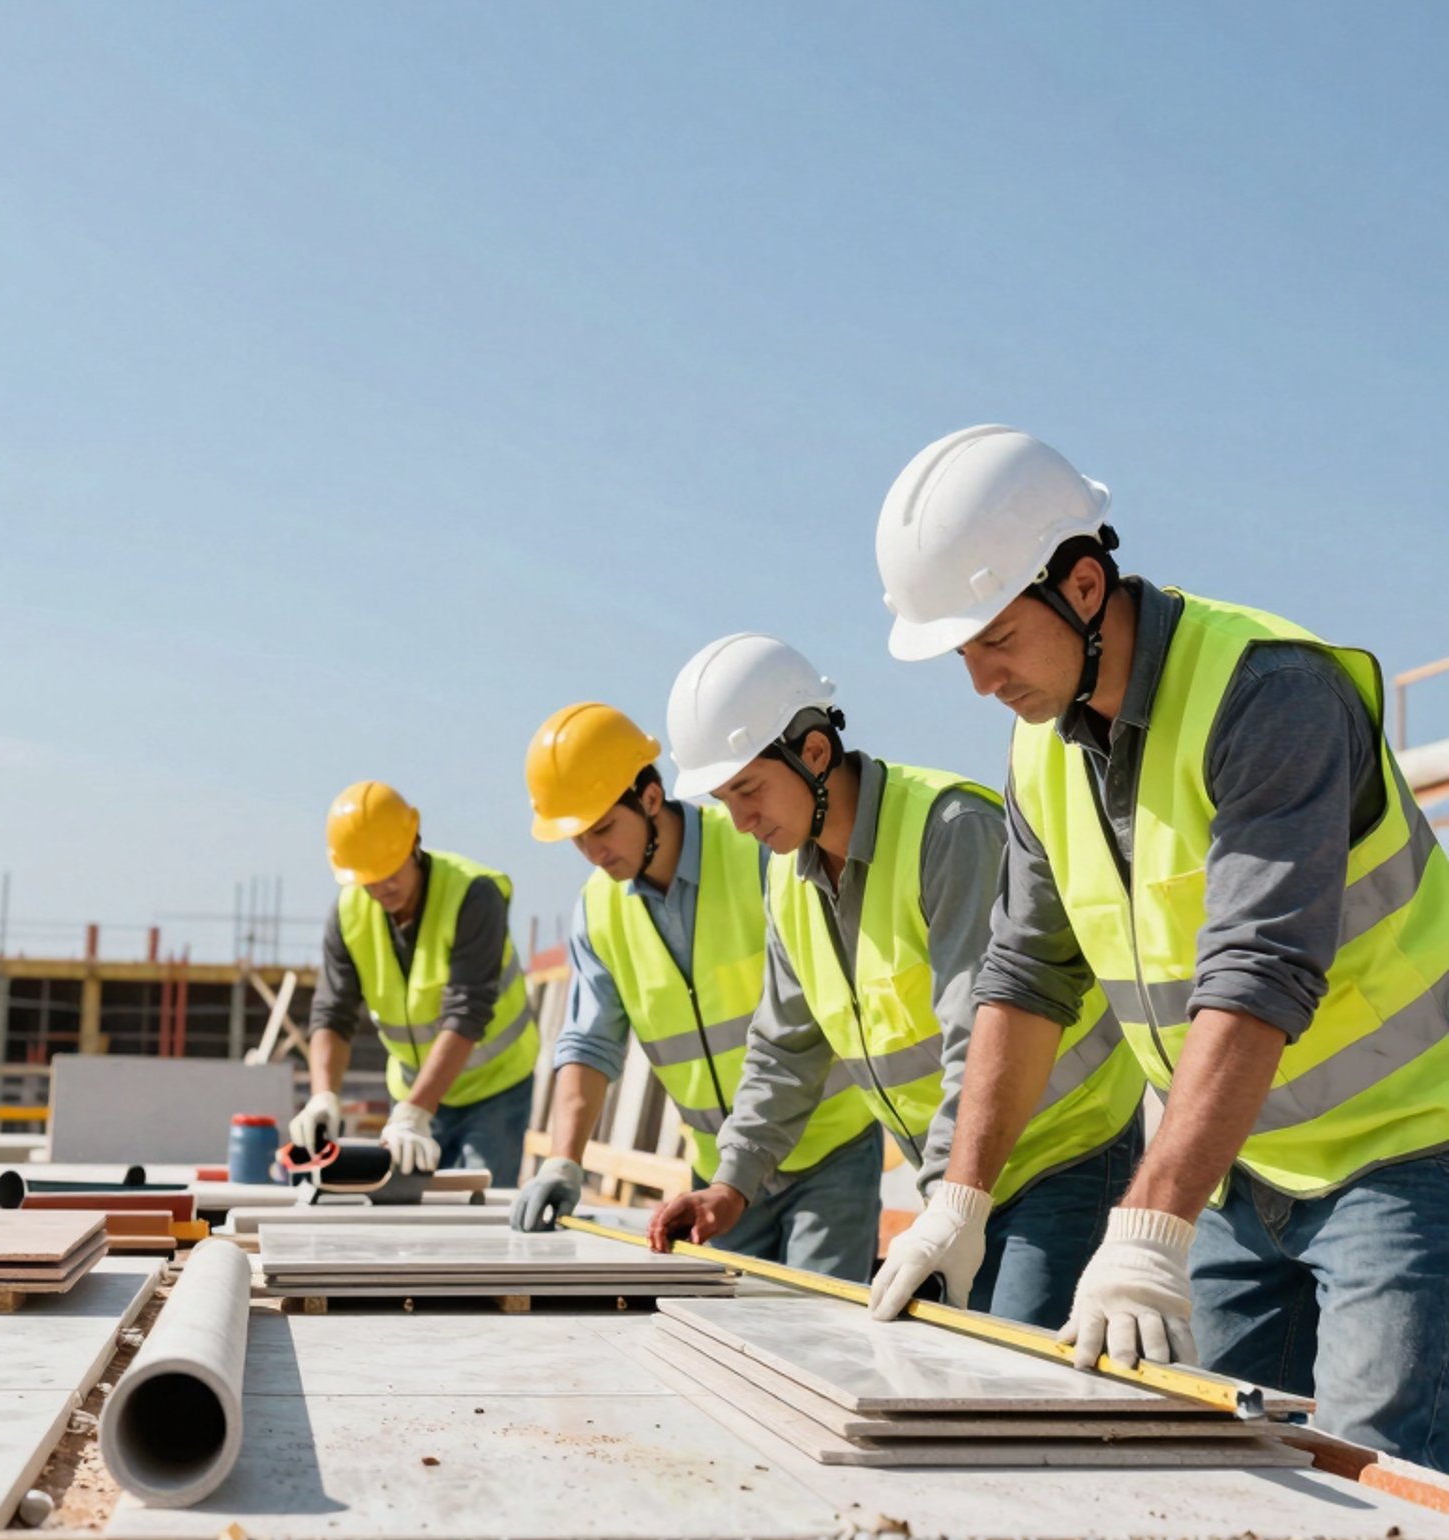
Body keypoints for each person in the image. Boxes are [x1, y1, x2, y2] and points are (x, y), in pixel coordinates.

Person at [870, 423, 1449, 1469]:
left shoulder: (1270, 694)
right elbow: (1026, 977)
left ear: (1083, 586)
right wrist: (960, 1202)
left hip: (1405, 1149)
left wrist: (1144, 1229)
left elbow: (1259, 969)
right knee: (1194, 1458)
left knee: (1381, 1478)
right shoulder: (1042, 751)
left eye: (996, 640)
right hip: (1240, 1170)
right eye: (962, 652)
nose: (980, 680)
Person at [647, 634, 1145, 1324]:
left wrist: (946, 1202)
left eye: (749, 790)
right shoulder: (793, 882)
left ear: (814, 753)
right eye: (726, 800)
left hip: (1063, 1151)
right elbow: (783, 1052)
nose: (741, 821)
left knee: (1013, 1381)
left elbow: (979, 1036)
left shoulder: (950, 832)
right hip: (960, 1181)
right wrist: (730, 1184)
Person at [512, 701, 880, 1276]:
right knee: (732, 1338)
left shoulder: (761, 852)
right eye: (578, 840)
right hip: (719, 1174)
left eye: (604, 828)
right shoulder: (599, 910)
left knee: (822, 1330)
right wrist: (564, 1162)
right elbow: (589, 1046)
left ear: (651, 798)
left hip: (828, 1152)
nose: (593, 853)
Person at [296, 780, 538, 1185]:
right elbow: (332, 1013)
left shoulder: (473, 894)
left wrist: (412, 1115)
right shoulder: (348, 913)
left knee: (478, 1205)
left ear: (415, 843)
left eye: (391, 870)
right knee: (409, 1208)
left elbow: (468, 1012)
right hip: (411, 1089)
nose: (382, 886)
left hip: (495, 1089)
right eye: (369, 878)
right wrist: (323, 1096)